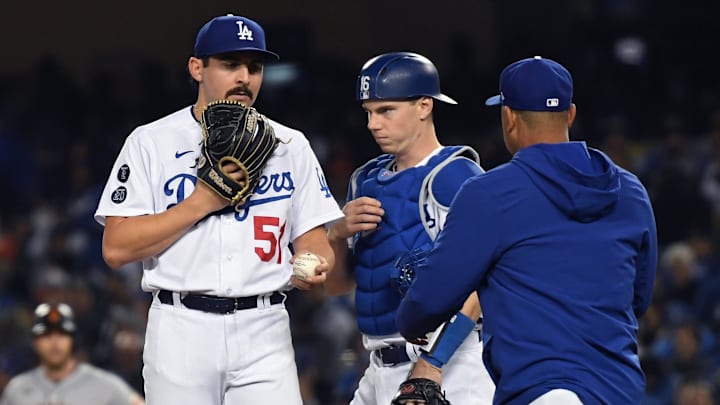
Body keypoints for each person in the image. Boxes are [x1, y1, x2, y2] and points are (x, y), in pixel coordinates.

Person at [93, 14, 343, 404]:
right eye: (230, 64)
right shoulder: (150, 142)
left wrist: (316, 260)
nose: (244, 77)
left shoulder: (290, 145)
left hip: (265, 328)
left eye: (254, 67)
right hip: (181, 329)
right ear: (197, 68)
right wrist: (201, 203)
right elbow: (116, 247)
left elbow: (313, 237)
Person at [396, 56, 658, 404]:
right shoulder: (630, 191)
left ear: (508, 117)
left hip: (542, 391)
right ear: (570, 114)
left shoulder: (490, 194)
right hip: (620, 390)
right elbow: (639, 297)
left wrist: (411, 322)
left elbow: (426, 302)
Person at [326, 52, 495, 405]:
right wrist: (338, 235)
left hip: (450, 366)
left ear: (423, 106)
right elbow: (339, 287)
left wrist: (434, 363)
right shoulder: (365, 181)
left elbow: (486, 283)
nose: (373, 124)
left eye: (386, 110)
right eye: (368, 112)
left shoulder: (457, 176)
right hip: (377, 366)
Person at [0, 302, 144, 405]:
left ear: (73, 340)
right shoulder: (17, 389)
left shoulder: (104, 384)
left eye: (62, 335)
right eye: (47, 336)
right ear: (35, 342)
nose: (55, 343)